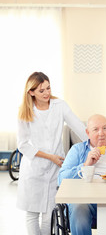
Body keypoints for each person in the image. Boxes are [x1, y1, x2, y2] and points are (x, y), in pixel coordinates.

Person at [17, 72, 87, 235]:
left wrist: (95, 141)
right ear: (31, 92)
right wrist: (50, 157)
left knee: (49, 215)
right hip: (34, 169)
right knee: (32, 214)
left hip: (56, 168)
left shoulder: (60, 105)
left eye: (48, 88)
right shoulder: (24, 111)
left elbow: (78, 126)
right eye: (41, 91)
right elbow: (23, 145)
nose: (47, 93)